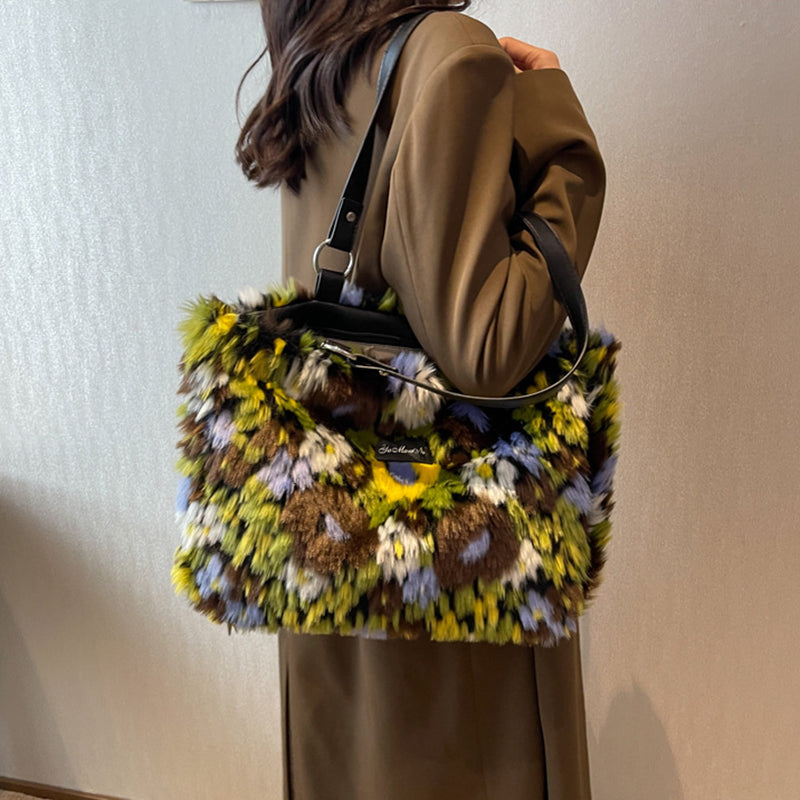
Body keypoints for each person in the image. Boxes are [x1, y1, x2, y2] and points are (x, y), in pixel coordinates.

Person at [235, 2, 606, 798]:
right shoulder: (449, 56)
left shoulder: (321, 61)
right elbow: (488, 350)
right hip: (452, 586)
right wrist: (564, 148)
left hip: (331, 547)